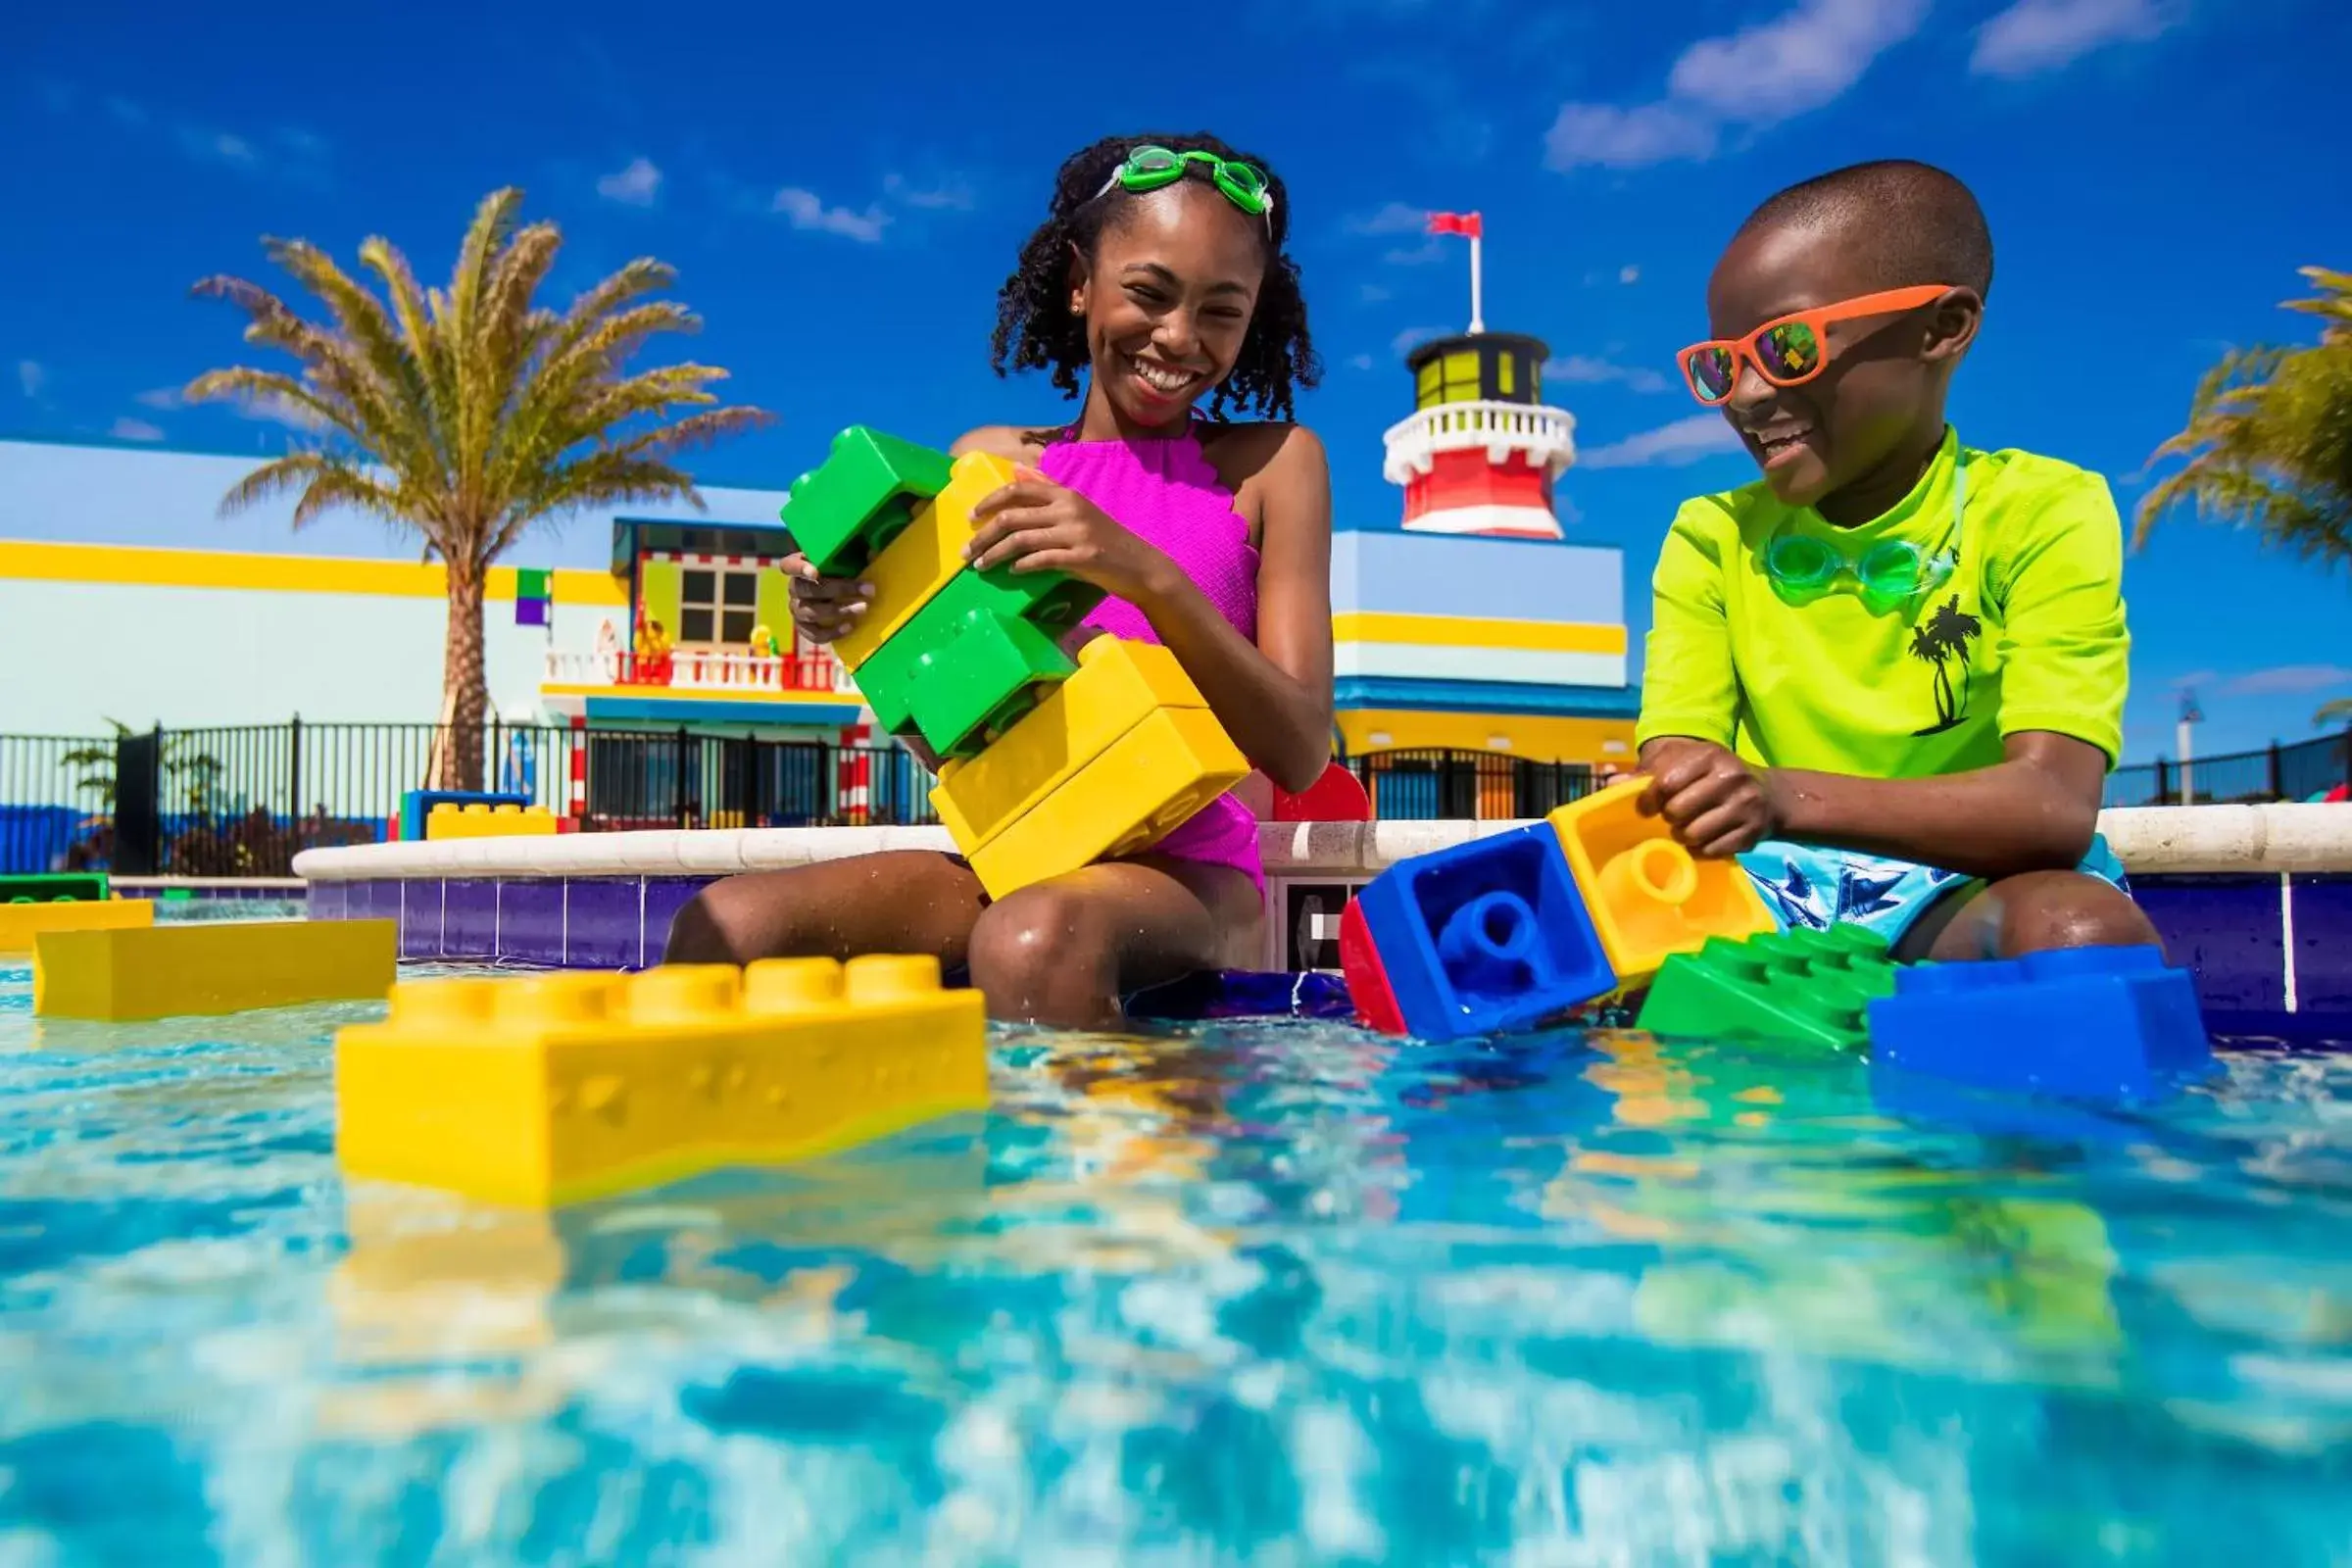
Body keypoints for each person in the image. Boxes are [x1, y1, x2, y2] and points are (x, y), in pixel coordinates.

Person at [666, 133, 1335, 1025]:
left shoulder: (1275, 466)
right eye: (1148, 292)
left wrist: (1141, 572)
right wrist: (859, 625)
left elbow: (1299, 746)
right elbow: (948, 742)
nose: (1179, 336)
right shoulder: (988, 468)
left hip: (1196, 873)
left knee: (1033, 940)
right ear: (1079, 282)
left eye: (1222, 310)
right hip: (1019, 858)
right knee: (727, 932)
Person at [1635, 159, 2162, 962]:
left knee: (2075, 931)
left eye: (1785, 346)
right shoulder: (1712, 536)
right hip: (1769, 890)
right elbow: (1680, 762)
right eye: (1720, 363)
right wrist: (1695, 791)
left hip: (1965, 886)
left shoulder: (2041, 508)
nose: (1744, 394)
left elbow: (2052, 804)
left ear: (1941, 328)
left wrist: (1781, 795)